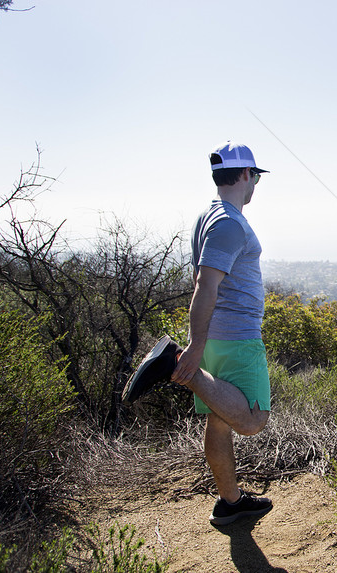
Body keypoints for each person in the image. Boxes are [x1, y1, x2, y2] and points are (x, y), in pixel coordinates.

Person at [122, 141, 273, 526]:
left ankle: (231, 503)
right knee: (252, 420)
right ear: (244, 175)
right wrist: (193, 349)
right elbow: (204, 286)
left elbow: (201, 281)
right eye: (255, 176)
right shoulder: (228, 223)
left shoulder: (208, 217)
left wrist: (202, 342)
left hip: (219, 335)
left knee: (219, 422)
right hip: (235, 337)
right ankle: (174, 365)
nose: (256, 183)